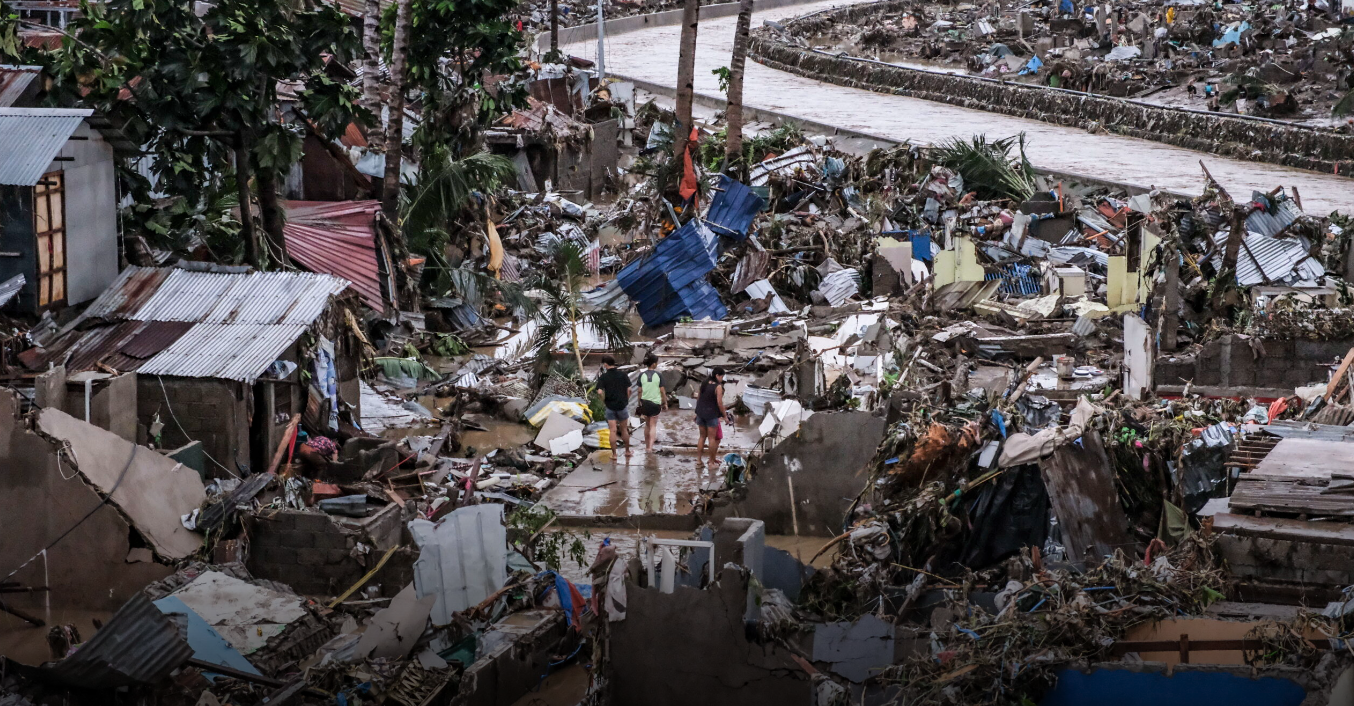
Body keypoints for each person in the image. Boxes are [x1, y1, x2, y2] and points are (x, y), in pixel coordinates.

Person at [694, 367, 731, 471]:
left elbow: (699, 398)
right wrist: (725, 416)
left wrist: (697, 411)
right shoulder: (718, 387)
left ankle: (699, 461)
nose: (722, 379)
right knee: (712, 439)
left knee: (702, 437)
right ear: (717, 376)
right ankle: (711, 462)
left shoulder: (704, 382)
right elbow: (719, 403)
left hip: (701, 413)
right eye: (722, 376)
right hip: (711, 415)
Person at [596, 355, 633, 457]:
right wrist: (626, 400)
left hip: (610, 407)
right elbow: (629, 390)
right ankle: (627, 452)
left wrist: (603, 401)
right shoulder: (623, 375)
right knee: (624, 429)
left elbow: (599, 392)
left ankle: (614, 455)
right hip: (622, 406)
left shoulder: (603, 377)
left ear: (605, 365)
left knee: (612, 430)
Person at [636, 353, 668, 453]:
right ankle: (650, 448)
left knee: (647, 425)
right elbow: (662, 391)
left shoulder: (641, 375)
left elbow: (639, 391)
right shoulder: (658, 375)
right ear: (654, 364)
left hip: (645, 403)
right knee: (653, 425)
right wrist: (665, 402)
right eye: (656, 363)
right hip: (655, 404)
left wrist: (639, 403)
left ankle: (646, 447)